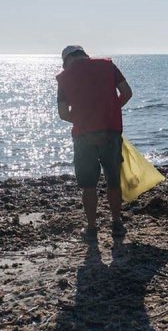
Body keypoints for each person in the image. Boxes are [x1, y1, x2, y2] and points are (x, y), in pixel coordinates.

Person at [56, 45, 133, 241]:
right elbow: (127, 92)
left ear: (66, 61)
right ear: (85, 55)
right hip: (110, 131)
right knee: (113, 181)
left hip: (84, 136)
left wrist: (84, 119)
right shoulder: (108, 66)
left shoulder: (64, 78)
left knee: (88, 185)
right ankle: (116, 224)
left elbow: (64, 113)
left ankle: (91, 228)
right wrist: (111, 111)